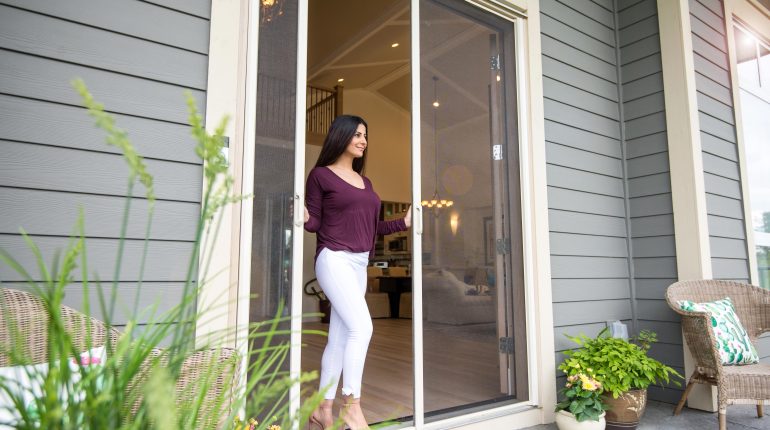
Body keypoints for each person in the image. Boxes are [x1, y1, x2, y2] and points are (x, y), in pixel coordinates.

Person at [304, 115, 411, 430]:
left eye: (366, 135)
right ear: (341, 136)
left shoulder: (366, 183)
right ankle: (351, 406)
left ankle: (322, 410)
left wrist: (402, 224)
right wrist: (301, 215)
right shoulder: (321, 176)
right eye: (358, 134)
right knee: (362, 328)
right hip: (333, 257)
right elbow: (314, 222)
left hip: (359, 263)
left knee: (339, 339)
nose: (363, 140)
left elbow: (371, 226)